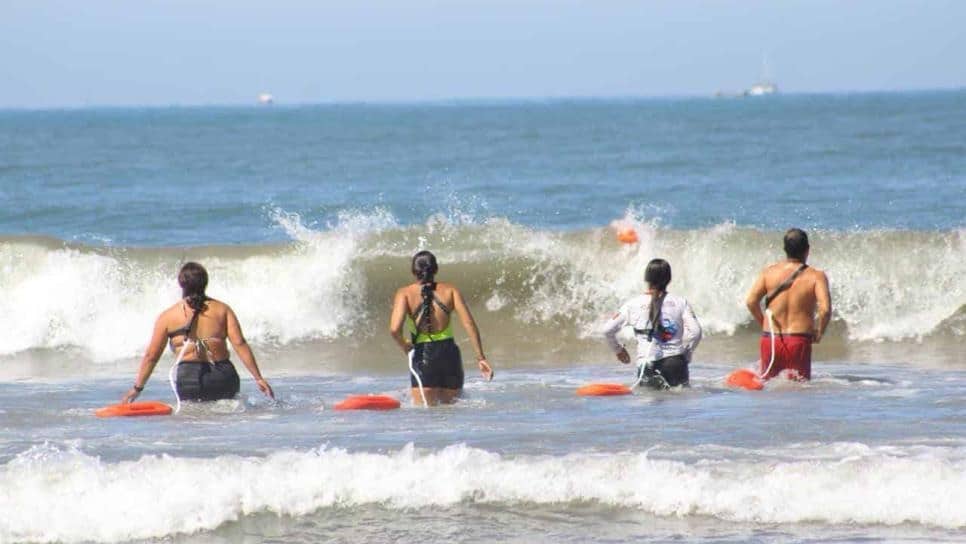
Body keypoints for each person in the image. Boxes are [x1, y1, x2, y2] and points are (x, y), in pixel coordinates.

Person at [121, 262, 274, 403]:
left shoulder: (167, 316)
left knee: (193, 420)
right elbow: (239, 343)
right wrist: (258, 378)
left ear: (181, 284)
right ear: (205, 282)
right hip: (223, 378)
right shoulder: (223, 309)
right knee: (225, 419)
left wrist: (137, 388)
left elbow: (151, 356)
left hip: (190, 381)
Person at [389, 251, 493, 406]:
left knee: (424, 413)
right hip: (450, 356)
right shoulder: (451, 290)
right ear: (436, 269)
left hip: (422, 357)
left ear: (413, 271)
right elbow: (469, 324)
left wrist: (405, 346)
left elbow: (394, 330)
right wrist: (481, 358)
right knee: (451, 413)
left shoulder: (404, 293)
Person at [745, 228, 831, 380]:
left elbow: (751, 301)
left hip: (771, 340)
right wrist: (819, 333)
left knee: (769, 387)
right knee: (799, 389)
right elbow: (825, 310)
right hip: (798, 341)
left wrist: (763, 322)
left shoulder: (768, 272)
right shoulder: (816, 276)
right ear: (807, 250)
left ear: (785, 249)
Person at [602, 258, 702, 389]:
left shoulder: (633, 304)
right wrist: (687, 353)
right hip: (676, 364)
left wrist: (619, 350)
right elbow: (696, 332)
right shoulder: (680, 302)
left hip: (647, 365)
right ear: (669, 279)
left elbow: (607, 330)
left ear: (647, 278)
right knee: (678, 400)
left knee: (650, 401)